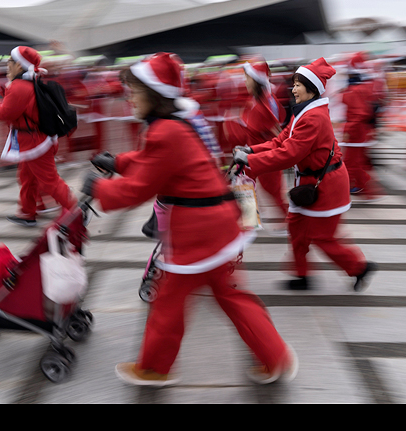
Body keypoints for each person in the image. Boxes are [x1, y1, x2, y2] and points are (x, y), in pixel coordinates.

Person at [81, 52, 297, 386]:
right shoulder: (176, 125)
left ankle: (153, 368)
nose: (129, 98)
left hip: (197, 234)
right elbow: (152, 161)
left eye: (134, 92)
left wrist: (98, 188)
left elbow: (137, 189)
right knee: (232, 296)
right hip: (219, 226)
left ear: (154, 95)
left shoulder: (165, 132)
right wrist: (119, 162)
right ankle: (276, 356)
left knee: (168, 302)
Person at [233, 57, 376, 291]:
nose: (293, 88)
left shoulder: (313, 117)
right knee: (296, 228)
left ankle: (359, 267)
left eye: (298, 84)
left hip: (327, 185)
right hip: (310, 181)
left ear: (311, 89)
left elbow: (289, 153)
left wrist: (250, 160)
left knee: (322, 237)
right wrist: (251, 150)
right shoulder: (303, 113)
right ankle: (302, 276)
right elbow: (280, 140)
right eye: (294, 84)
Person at [0, 46, 76, 227]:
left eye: (10, 62)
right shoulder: (28, 82)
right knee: (27, 178)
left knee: (49, 181)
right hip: (33, 140)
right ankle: (27, 213)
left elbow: (4, 113)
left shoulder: (19, 86)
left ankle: (75, 212)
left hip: (34, 142)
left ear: (20, 65)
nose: (7, 65)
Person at [222, 59, 288, 220]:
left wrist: (231, 124)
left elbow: (263, 128)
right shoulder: (262, 100)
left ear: (256, 80)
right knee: (246, 183)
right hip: (254, 153)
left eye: (247, 78)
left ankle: (290, 221)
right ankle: (249, 219)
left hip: (263, 155)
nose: (245, 82)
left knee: (271, 189)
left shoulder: (262, 105)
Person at [340, 52, 382, 200]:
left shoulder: (353, 91)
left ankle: (363, 190)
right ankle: (365, 189)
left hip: (356, 133)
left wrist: (349, 130)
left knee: (352, 163)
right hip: (361, 132)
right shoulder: (365, 88)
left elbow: (359, 114)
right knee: (358, 162)